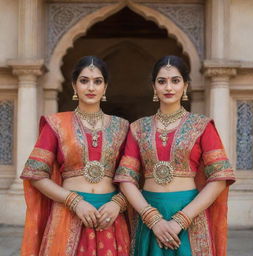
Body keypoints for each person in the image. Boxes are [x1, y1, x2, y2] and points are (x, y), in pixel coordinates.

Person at [114, 55, 235, 256]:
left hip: (190, 214)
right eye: (162, 81)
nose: (168, 87)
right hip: (149, 214)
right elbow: (126, 178)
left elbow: (220, 177)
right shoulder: (138, 128)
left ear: (185, 85)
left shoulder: (202, 126)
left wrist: (182, 219)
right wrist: (153, 219)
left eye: (175, 81)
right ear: (154, 87)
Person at [20, 56, 130, 256]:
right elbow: (35, 174)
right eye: (84, 80)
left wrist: (118, 203)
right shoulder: (57, 124)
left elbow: (134, 177)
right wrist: (75, 201)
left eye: (97, 81)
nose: (91, 87)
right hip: (68, 214)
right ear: (74, 85)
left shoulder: (122, 127)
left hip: (110, 217)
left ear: (105, 87)